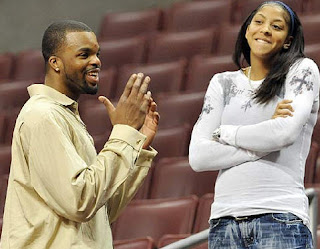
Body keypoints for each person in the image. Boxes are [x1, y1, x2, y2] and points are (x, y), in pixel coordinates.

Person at [0, 20, 159, 248]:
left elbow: (99, 211)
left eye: (96, 54)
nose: (96, 61)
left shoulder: (64, 116)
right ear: (55, 63)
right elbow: (80, 201)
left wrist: (136, 146)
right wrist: (122, 133)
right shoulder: (42, 115)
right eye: (84, 54)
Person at [189, 1, 319, 248]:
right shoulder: (222, 82)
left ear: (288, 41)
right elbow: (198, 157)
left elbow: (283, 134)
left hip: (280, 217)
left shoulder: (302, 70)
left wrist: (225, 133)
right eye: (258, 22)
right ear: (247, 30)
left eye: (276, 26)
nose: (266, 29)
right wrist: (262, 138)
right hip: (224, 222)